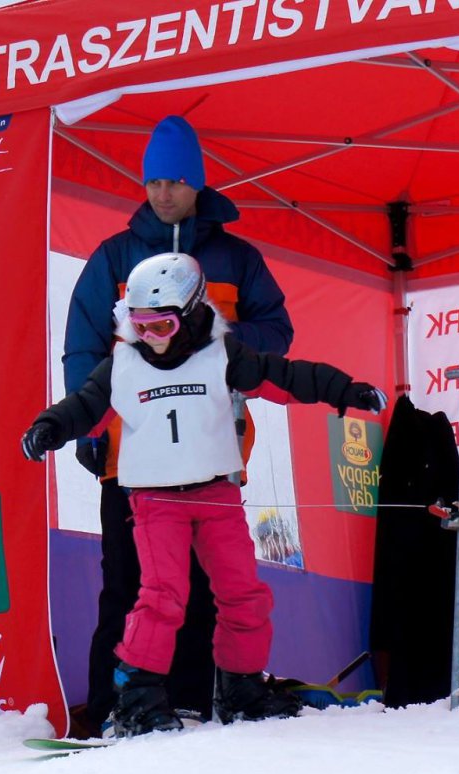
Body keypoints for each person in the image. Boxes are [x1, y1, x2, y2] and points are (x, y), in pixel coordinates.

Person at [24, 252, 385, 735]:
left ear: (193, 313)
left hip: (217, 496)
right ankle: (138, 696)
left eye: (162, 326)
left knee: (243, 594)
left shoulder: (222, 355)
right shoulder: (124, 365)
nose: (150, 339)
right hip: (154, 503)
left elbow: (285, 377)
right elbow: (84, 406)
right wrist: (51, 427)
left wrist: (344, 391)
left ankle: (241, 687)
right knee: (162, 596)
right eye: (139, 326)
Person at [62, 114, 295, 732]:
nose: (161, 193)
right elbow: (83, 346)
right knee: (129, 584)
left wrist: (211, 335)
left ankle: (188, 702)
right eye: (153, 181)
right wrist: (90, 429)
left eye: (174, 181)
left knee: (203, 585)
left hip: (211, 449)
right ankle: (114, 708)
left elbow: (277, 333)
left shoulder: (236, 259)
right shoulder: (114, 256)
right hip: (131, 454)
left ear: (197, 183)